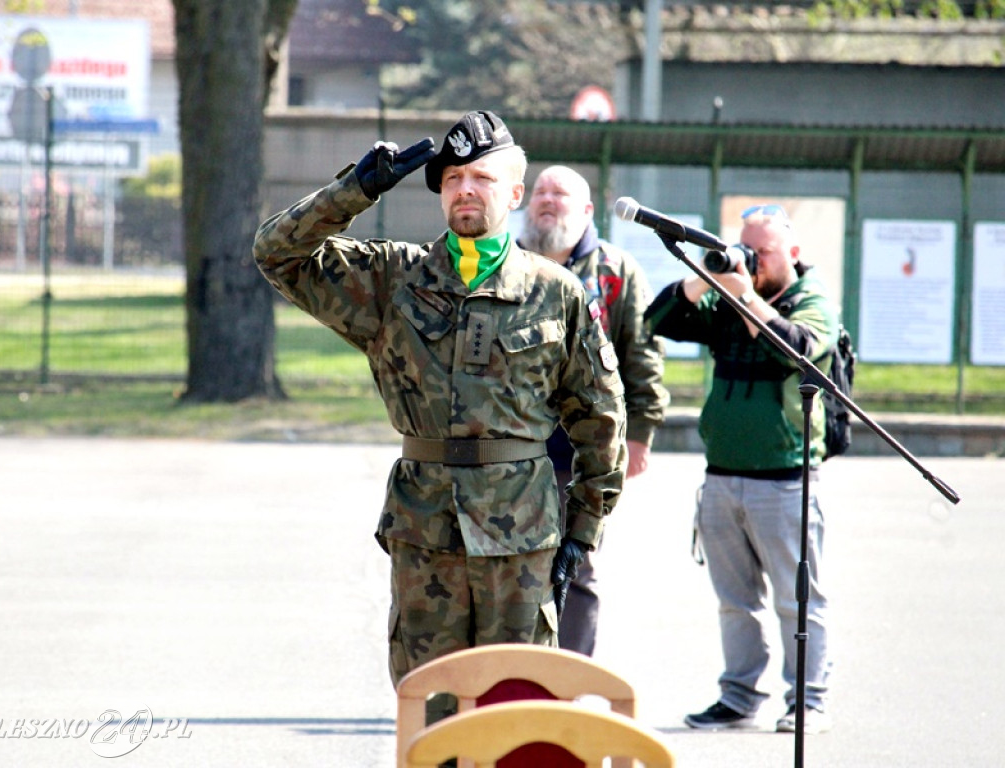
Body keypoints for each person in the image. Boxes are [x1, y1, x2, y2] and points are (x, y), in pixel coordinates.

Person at [253, 111, 627, 696]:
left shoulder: (556, 291)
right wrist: (354, 191)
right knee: (431, 705)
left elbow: (599, 417)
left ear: (514, 192)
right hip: (425, 528)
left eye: (480, 177)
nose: (465, 190)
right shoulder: (393, 278)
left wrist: (583, 530)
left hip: (522, 535)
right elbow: (277, 253)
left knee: (518, 703)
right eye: (451, 179)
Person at [643, 203, 838, 734]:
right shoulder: (729, 295)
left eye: (764, 251)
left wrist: (747, 295)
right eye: (746, 247)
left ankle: (808, 702)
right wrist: (701, 282)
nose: (752, 258)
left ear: (793, 253)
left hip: (785, 478)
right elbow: (656, 322)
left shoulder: (811, 300)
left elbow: (797, 351)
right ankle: (739, 696)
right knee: (736, 602)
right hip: (723, 475)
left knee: (799, 599)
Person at [519, 165, 668, 656]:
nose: (546, 199)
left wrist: (640, 434)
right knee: (507, 567)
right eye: (539, 190)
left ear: (586, 211)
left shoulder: (615, 271)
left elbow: (642, 354)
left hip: (586, 451)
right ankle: (509, 680)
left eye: (559, 193)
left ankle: (570, 678)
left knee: (577, 566)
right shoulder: (506, 262)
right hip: (510, 447)